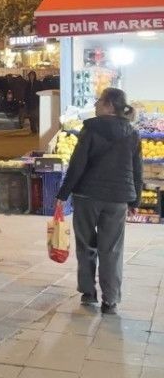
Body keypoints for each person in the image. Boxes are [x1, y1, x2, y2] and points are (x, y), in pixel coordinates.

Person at [57, 87, 142, 315]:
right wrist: (135, 201)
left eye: (99, 101)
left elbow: (77, 164)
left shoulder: (91, 129)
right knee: (111, 250)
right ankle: (110, 301)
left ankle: (88, 293)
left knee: (85, 246)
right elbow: (137, 169)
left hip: (87, 196)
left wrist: (62, 195)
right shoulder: (132, 133)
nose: (95, 104)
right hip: (117, 199)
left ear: (109, 105)